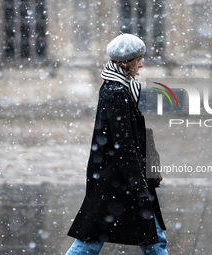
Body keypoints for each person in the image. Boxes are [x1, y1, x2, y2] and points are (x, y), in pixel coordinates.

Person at [66, 33, 168, 255]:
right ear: (128, 62)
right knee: (88, 244)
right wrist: (140, 185)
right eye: (138, 59)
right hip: (116, 179)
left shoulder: (120, 87)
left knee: (153, 239)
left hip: (117, 178)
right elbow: (124, 144)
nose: (141, 64)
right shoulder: (116, 91)